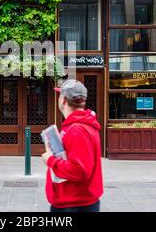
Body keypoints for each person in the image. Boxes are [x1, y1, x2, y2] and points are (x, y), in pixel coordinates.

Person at [42, 79, 103, 212]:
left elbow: (80, 170)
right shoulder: (81, 125)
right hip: (75, 202)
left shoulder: (76, 130)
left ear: (63, 100)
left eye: (59, 95)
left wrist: (50, 160)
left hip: (74, 204)